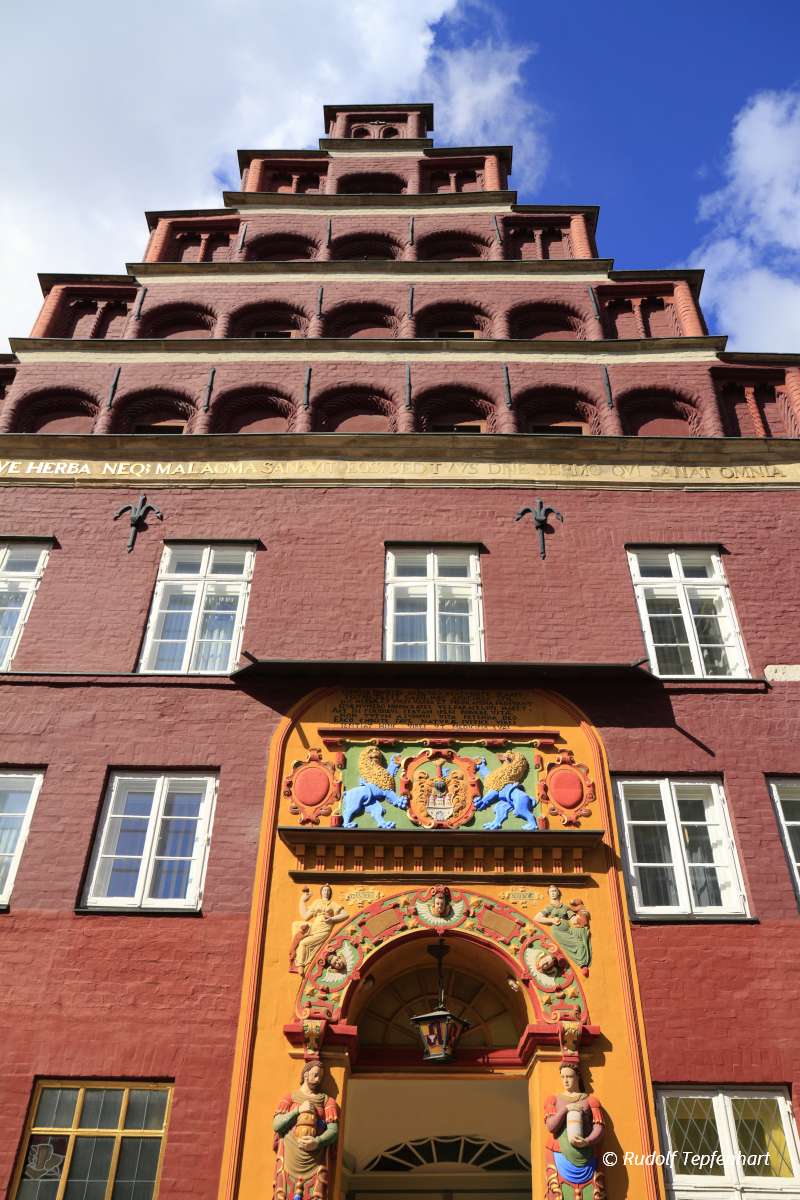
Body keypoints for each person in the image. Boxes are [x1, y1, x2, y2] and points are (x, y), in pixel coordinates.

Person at [273, 1059, 339, 1200]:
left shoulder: (327, 1101)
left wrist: (317, 1142)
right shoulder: (289, 1098)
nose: (318, 1080)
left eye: (320, 1077)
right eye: (315, 1075)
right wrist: (297, 1111)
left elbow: (333, 1131)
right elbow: (277, 1125)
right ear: (305, 1074)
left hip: (316, 1161)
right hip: (289, 1157)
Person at [544, 1062, 604, 1197]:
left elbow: (599, 1127)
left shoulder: (591, 1101)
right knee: (560, 1192)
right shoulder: (553, 1100)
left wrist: (587, 1141)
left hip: (587, 1155)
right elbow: (551, 1126)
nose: (565, 1080)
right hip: (559, 1153)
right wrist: (565, 1109)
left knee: (591, 1192)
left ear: (578, 1077)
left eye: (569, 1076)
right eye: (563, 1077)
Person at [290, 885, 348, 974]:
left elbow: (345, 914)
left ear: (330, 893)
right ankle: (294, 955)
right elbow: (305, 916)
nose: (326, 892)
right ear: (321, 892)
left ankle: (301, 965)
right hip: (315, 926)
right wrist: (302, 901)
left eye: (328, 891)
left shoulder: (332, 904)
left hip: (324, 928)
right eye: (324, 890)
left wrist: (332, 919)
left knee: (304, 943)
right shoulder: (317, 902)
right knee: (296, 925)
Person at [534, 885, 591, 973]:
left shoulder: (564, 907)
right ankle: (582, 964)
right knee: (578, 944)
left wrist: (581, 916)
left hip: (568, 929)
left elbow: (573, 919)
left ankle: (583, 964)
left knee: (582, 935)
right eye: (551, 892)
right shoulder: (550, 907)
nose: (553, 893)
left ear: (558, 893)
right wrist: (551, 920)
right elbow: (537, 917)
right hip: (558, 932)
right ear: (549, 894)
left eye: (554, 891)